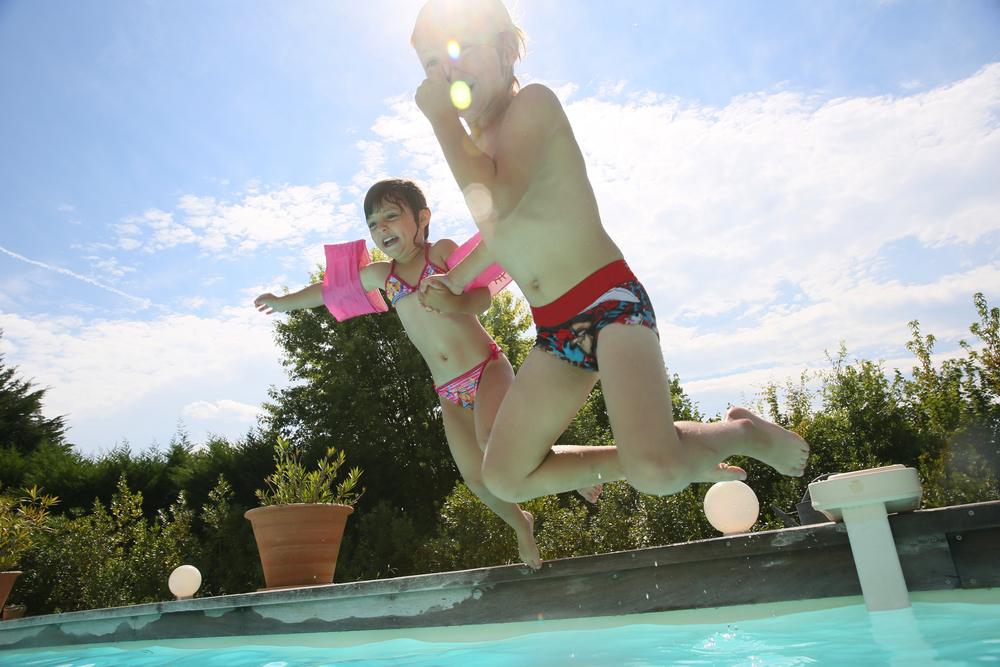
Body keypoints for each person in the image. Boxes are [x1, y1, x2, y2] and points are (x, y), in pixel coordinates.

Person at [409, 0, 810, 505]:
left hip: (610, 302)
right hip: (557, 330)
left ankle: (740, 433)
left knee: (658, 473)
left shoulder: (534, 104)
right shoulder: (473, 149)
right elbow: (500, 232)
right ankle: (664, 454)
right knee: (505, 477)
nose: (445, 69)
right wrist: (457, 280)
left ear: (505, 48)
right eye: (430, 64)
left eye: (459, 48)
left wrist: (442, 121)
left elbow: (500, 196)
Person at [254, 178, 601, 570]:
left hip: (485, 367)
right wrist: (284, 302)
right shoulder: (383, 277)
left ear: (422, 219)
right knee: (477, 480)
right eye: (372, 223)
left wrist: (454, 301)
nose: (381, 228)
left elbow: (484, 296)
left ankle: (572, 474)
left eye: (390, 215)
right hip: (448, 391)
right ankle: (522, 524)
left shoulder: (441, 254)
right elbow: (329, 289)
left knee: (494, 439)